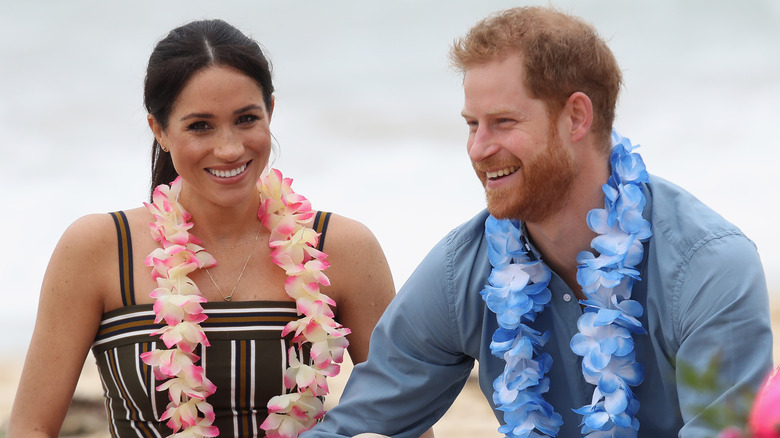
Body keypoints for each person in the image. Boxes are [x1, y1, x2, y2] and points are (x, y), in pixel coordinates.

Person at [303, 6, 774, 438]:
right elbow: (357, 425)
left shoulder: (707, 266)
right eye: (472, 124)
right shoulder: (464, 271)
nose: (478, 149)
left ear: (576, 117)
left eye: (503, 122)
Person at [8, 19, 397, 438]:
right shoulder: (99, 248)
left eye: (247, 118)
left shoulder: (341, 248)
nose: (229, 148)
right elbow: (31, 428)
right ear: (159, 130)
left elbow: (403, 418)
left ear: (271, 110)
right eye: (200, 126)